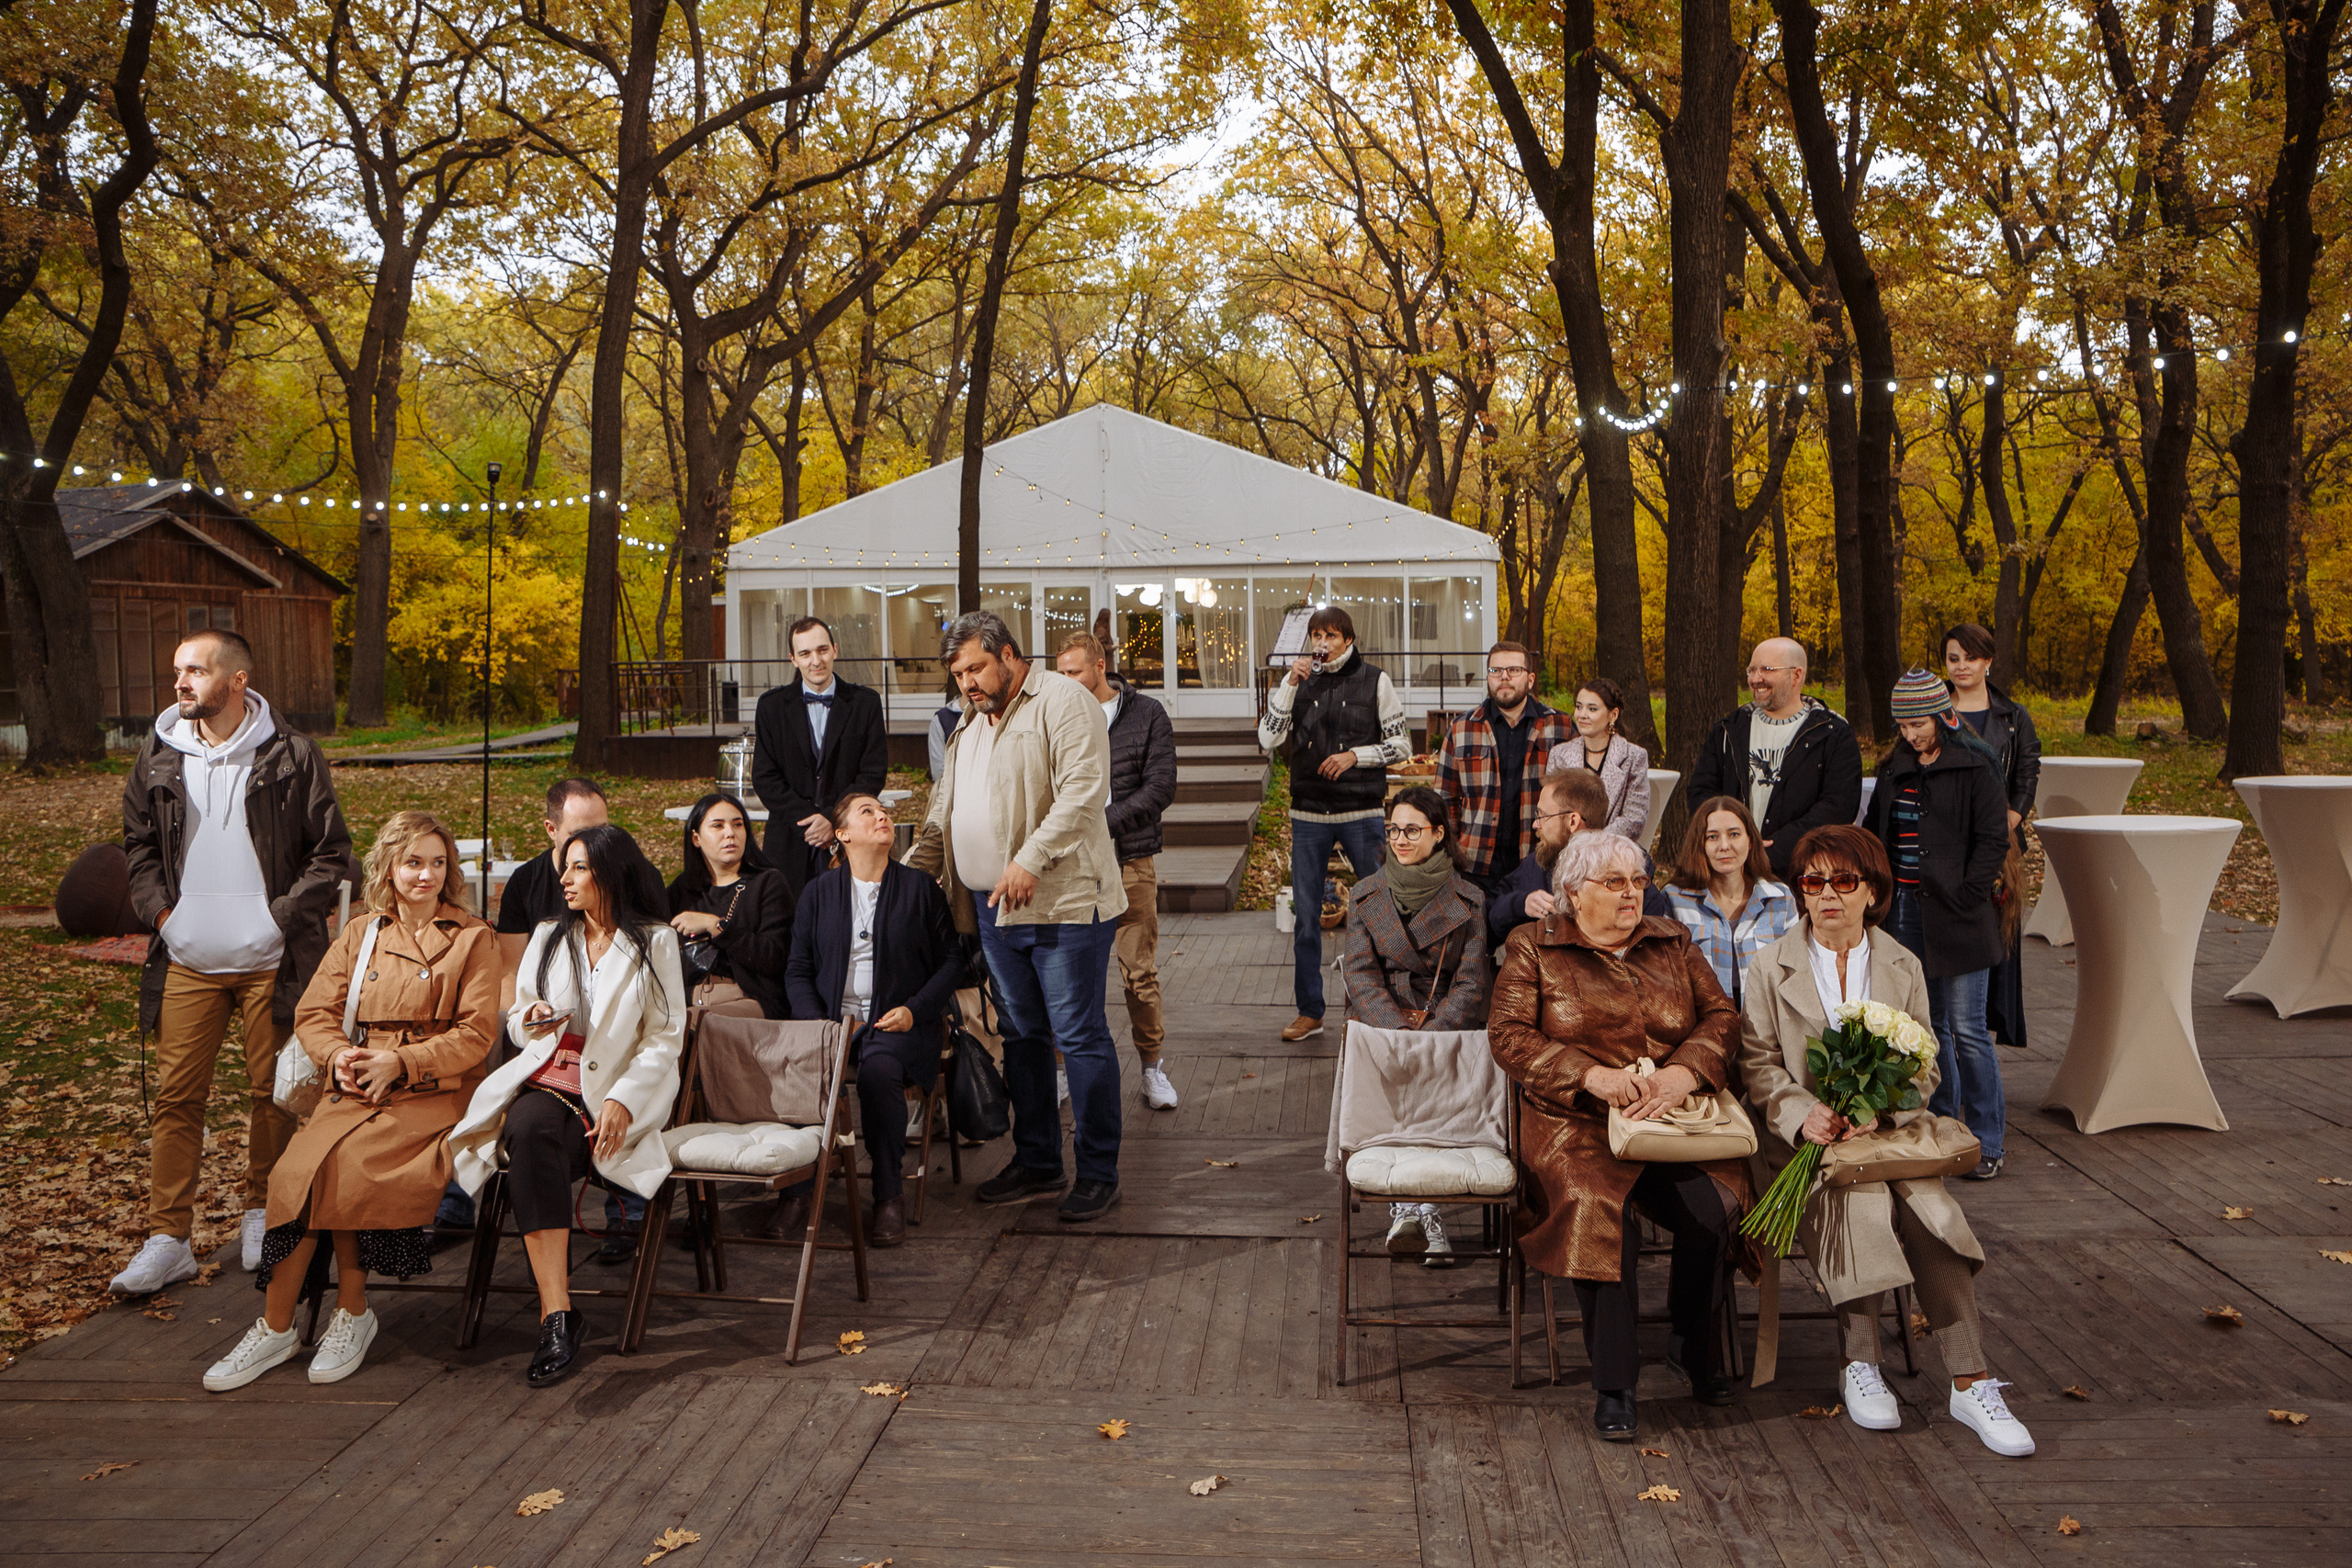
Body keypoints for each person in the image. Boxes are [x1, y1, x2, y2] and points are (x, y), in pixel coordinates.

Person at [1737, 825, 2035, 1457]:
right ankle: (1859, 1362)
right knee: (1861, 1203)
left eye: (1843, 881)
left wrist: (1882, 1104)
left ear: (1873, 891)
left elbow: (1925, 1064)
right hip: (1808, 1148)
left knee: (1936, 1213)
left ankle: (1970, 1378)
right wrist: (1803, 1112)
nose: (1826, 896)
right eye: (1813, 882)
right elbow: (1758, 1064)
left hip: (1889, 1138)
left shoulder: (1902, 965)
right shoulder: (1769, 964)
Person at [201, 812, 500, 1391]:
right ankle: (276, 1327)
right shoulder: (362, 933)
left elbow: (477, 1034)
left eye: (438, 863)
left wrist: (403, 1062)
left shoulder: (472, 936)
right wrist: (338, 1056)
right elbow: (314, 1013)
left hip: (434, 1090)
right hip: (358, 1081)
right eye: (414, 862)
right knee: (293, 1171)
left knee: (347, 1166)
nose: (426, 875)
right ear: (389, 866)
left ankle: (353, 1311)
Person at [114, 628, 355, 1296]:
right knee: (175, 1097)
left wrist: (275, 919)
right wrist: (165, 916)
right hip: (188, 956)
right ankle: (168, 1239)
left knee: (272, 1095)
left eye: (196, 669)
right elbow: (136, 842)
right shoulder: (160, 752)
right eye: (177, 670)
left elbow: (333, 853)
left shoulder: (292, 754)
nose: (181, 681)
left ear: (237, 680)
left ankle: (263, 1214)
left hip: (271, 959)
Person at [1487, 831, 1748, 1442]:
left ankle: (1692, 1341)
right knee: (1600, 1212)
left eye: (1637, 880)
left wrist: (1686, 1071)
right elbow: (1509, 1036)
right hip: (1572, 1123)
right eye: (1615, 882)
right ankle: (1616, 1383)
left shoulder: (1672, 940)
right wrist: (1591, 1075)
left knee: (1717, 1208)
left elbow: (1721, 1017)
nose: (1633, 893)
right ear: (1574, 894)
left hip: (1669, 1117)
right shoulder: (1533, 946)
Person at [907, 611, 1128, 1223]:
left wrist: (1030, 858)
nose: (968, 683)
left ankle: (1099, 1171)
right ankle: (1037, 1161)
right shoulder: (969, 725)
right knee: (1022, 1035)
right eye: (958, 674)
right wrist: (897, 878)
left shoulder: (1062, 700)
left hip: (1062, 904)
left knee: (1078, 1035)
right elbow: (941, 813)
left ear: (1008, 653)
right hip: (991, 907)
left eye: (976, 667)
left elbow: (1084, 792)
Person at [449, 824, 685, 1388]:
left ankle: (558, 1311)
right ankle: (558, 1314)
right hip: (551, 1077)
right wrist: (528, 1021)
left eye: (579, 867)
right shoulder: (550, 932)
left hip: (618, 1087)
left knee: (543, 1149)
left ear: (610, 872)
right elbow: (519, 1013)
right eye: (566, 866)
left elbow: (665, 1036)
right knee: (529, 1132)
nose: (566, 878)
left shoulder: (654, 941)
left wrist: (625, 1101)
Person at [784, 793, 962, 1247]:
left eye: (884, 811)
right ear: (841, 834)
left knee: (879, 1073)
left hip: (898, 1023)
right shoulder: (819, 893)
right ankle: (799, 1191)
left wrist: (914, 1010)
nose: (882, 816)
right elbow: (798, 969)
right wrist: (817, 1024)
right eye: (868, 812)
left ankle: (887, 1195)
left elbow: (950, 963)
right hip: (833, 1024)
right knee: (804, 1070)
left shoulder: (920, 889)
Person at [482, 776, 642, 1258]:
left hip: (616, 1035)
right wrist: (524, 1016)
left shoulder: (630, 877)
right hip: (553, 1034)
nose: (597, 843)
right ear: (551, 829)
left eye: (603, 828)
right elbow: (511, 972)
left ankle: (625, 1206)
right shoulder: (529, 886)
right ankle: (462, 1189)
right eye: (581, 832)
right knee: (485, 1035)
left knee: (625, 1081)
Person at [1865, 669, 2013, 1180]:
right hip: (1904, 910)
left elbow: (1994, 840)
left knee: (1970, 1029)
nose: (1911, 734)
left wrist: (1970, 894)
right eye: (1903, 726)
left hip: (1962, 914)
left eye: (1919, 724)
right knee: (1929, 1028)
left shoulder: (1975, 765)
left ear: (1941, 715)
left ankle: (1988, 1139)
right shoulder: (1895, 767)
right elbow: (1876, 835)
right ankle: (1946, 1127)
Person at [1342, 786, 1490, 1268]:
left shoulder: (1468, 899)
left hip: (1446, 1022)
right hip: (1382, 1025)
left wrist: (1432, 1034)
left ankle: (1426, 1208)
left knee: (1436, 1096)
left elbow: (1472, 981)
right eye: (1394, 831)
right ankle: (1408, 1205)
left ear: (1439, 834)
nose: (1400, 840)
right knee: (1392, 1086)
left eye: (1412, 830)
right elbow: (1361, 974)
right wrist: (1394, 1032)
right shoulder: (1365, 895)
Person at [1257, 604, 1410, 1042]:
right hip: (1308, 814)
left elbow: (1402, 746)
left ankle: (1383, 1004)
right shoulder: (1296, 682)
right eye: (1316, 637)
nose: (1321, 645)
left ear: (1349, 640)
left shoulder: (1376, 680)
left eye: (1331, 637)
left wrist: (1354, 756)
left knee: (1379, 910)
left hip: (1360, 811)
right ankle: (1310, 1011)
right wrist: (1288, 685)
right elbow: (1268, 737)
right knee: (1306, 916)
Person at [1056, 631, 1182, 1111]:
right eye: (1061, 673)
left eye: (1074, 672)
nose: (1066, 682)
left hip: (1129, 862)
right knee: (1066, 975)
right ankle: (1063, 1069)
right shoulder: (1058, 716)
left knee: (1139, 972)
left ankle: (1152, 1068)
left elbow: (1161, 788)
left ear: (1100, 665)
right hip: (1068, 868)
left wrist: (1101, 823)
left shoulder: (1146, 714)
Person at [1685, 637, 1862, 879]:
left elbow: (1838, 806)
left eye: (1767, 669)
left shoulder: (1833, 733)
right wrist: (1731, 841)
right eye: (1752, 669)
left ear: (1796, 676)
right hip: (1730, 872)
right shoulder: (1729, 730)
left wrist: (1774, 850)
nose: (1756, 678)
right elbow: (1701, 791)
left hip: (1801, 874)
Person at [1943, 624, 2041, 1051]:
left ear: (1988, 661)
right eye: (1953, 658)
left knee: (1992, 936)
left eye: (1970, 657)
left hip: (1996, 847)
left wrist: (2011, 818)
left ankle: (1979, 1034)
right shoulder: (1934, 708)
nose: (1961, 666)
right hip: (1945, 841)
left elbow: (2028, 770)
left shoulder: (2013, 716)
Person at [752, 615, 889, 900]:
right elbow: (765, 778)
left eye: (822, 650)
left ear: (835, 650)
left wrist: (831, 819)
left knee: (847, 922)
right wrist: (809, 821)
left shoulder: (866, 704)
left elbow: (872, 773)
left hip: (849, 840)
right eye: (805, 653)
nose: (816, 660)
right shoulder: (771, 707)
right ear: (793, 658)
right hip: (789, 841)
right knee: (788, 927)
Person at [1435, 640, 1572, 894]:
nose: (1504, 677)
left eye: (1513, 670)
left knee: (1529, 934)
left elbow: (1577, 795)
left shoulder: (1560, 726)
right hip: (1475, 864)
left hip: (1538, 862)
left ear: (1530, 679)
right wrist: (1453, 849)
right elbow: (1445, 798)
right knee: (1477, 932)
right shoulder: (1462, 728)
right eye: (1495, 671)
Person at [1487, 768, 1668, 945]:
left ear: (1572, 821)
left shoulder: (1636, 880)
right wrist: (1521, 903)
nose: (1536, 824)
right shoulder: (1537, 865)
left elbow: (1651, 949)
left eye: (1542, 815)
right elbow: (1490, 918)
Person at [665, 792, 794, 1021]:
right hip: (687, 998)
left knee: (688, 1025)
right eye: (717, 826)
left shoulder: (767, 883)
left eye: (737, 825)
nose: (730, 833)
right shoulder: (682, 889)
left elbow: (775, 958)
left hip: (747, 998)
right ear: (696, 838)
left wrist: (716, 926)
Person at [1665, 795, 1798, 1006]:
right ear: (1700, 844)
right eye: (1712, 837)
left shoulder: (1780, 898)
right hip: (1702, 1029)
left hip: (1768, 1030)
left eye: (1734, 834)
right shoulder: (1675, 900)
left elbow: (1795, 975)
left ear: (1751, 840)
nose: (1724, 846)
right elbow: (1668, 979)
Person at [1548, 677, 1651, 844]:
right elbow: (1551, 811)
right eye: (1579, 707)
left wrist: (1594, 844)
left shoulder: (1634, 756)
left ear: (1613, 715)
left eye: (1592, 709)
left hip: (1613, 853)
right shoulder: (1559, 754)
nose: (1582, 715)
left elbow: (1634, 818)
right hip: (1567, 851)